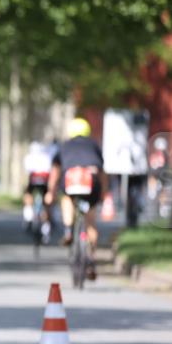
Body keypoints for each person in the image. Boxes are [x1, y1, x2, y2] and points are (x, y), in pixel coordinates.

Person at [45, 117, 110, 280]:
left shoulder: (64, 146)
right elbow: (102, 172)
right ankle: (92, 257)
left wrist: (51, 193)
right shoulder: (94, 145)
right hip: (91, 179)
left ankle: (68, 230)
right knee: (90, 221)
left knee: (66, 198)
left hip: (72, 178)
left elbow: (55, 173)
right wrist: (103, 193)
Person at [23, 141, 53, 243]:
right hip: (44, 183)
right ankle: (46, 227)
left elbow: (27, 172)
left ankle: (28, 215)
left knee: (27, 194)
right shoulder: (47, 157)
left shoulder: (29, 157)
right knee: (47, 204)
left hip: (33, 182)